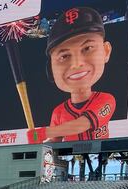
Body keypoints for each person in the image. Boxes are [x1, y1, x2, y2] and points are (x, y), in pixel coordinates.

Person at [27, 7, 115, 143]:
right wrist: (38, 147)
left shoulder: (106, 100)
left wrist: (43, 132)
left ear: (106, 51)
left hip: (98, 159)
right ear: (51, 69)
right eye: (64, 56)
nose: (76, 64)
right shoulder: (58, 112)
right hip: (69, 162)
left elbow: (82, 124)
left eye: (87, 48)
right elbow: (54, 143)